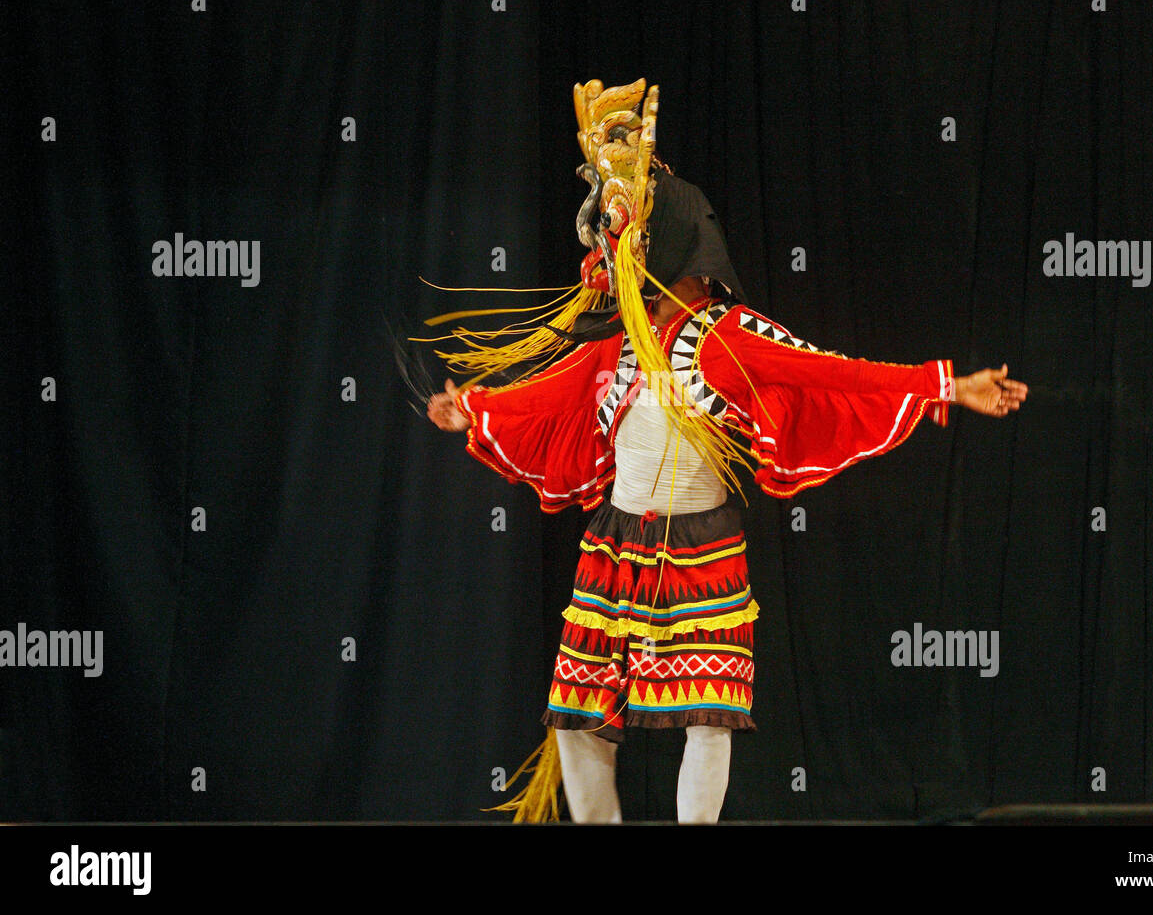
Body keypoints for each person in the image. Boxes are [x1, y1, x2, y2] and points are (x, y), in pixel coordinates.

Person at [419, 78, 1027, 824]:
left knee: (708, 715)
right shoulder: (616, 344)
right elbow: (551, 393)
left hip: (702, 547)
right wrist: (475, 410)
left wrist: (944, 385)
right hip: (615, 542)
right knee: (578, 719)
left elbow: (829, 371)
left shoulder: (727, 338)